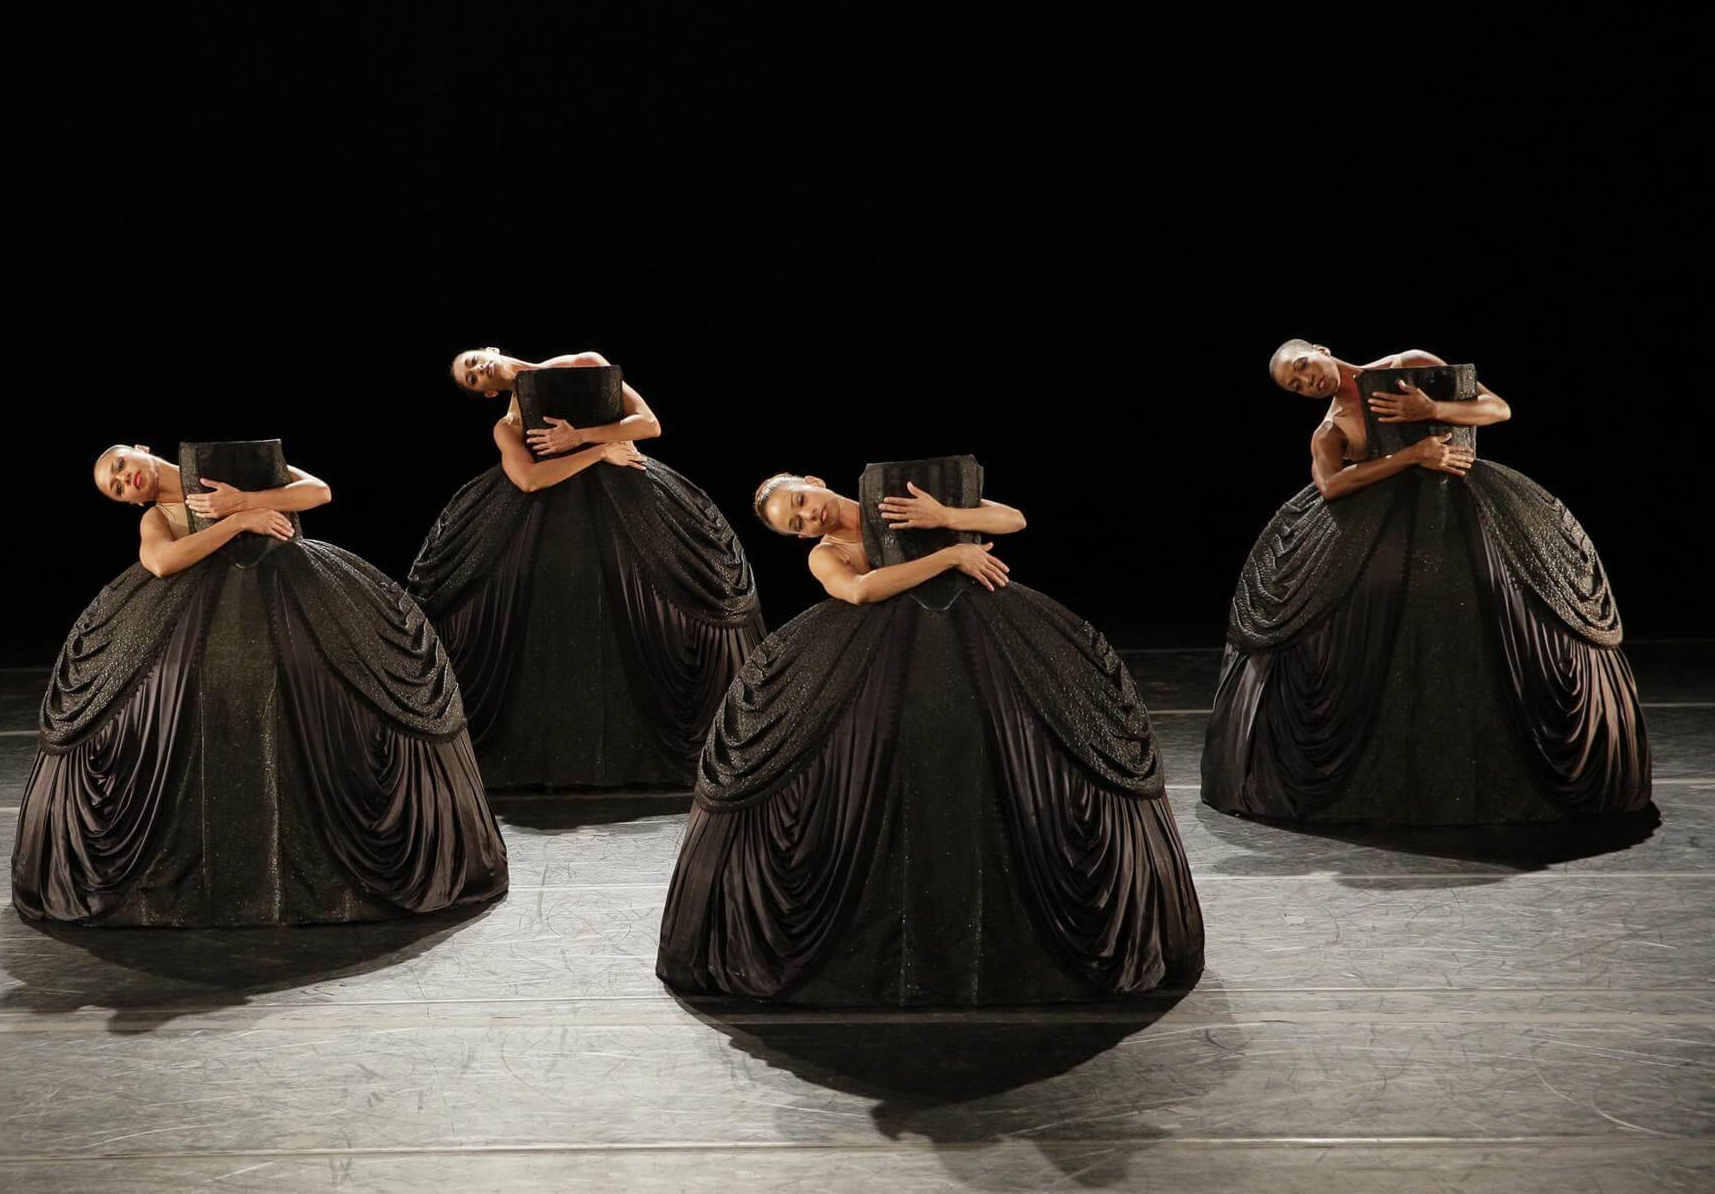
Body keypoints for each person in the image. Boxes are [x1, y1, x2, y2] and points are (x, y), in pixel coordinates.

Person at [658, 465, 1202, 1004]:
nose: (807, 517)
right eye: (795, 524)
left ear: (814, 482)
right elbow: (862, 591)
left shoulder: (897, 496)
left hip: (983, 629)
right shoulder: (826, 554)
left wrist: (945, 517)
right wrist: (950, 554)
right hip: (883, 653)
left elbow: (1012, 519)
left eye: (800, 502)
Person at [10, 440, 507, 925]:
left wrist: (246, 500)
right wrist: (238, 523)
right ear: (131, 502)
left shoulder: (228, 468)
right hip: (202, 625)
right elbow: (160, 562)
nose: (124, 479)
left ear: (138, 448)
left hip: (290, 598)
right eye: (116, 488)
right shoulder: (157, 516)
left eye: (120, 465)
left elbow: (317, 492)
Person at [1203, 343, 1651, 825]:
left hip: (1465, 513)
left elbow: (1497, 409)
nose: (1307, 382)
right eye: (1296, 386)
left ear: (1320, 351)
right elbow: (1331, 486)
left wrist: (1432, 410)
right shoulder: (1330, 428)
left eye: (1303, 368)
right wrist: (1414, 454)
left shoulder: (1407, 365)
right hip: (1380, 539)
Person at [408, 348, 765, 788]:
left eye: (473, 362)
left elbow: (648, 424)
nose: (477, 371)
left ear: (491, 352)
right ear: (485, 394)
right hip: (549, 524)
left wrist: (581, 436)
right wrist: (597, 453)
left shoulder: (581, 363)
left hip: (630, 498)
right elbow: (528, 480)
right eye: (472, 380)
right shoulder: (510, 424)